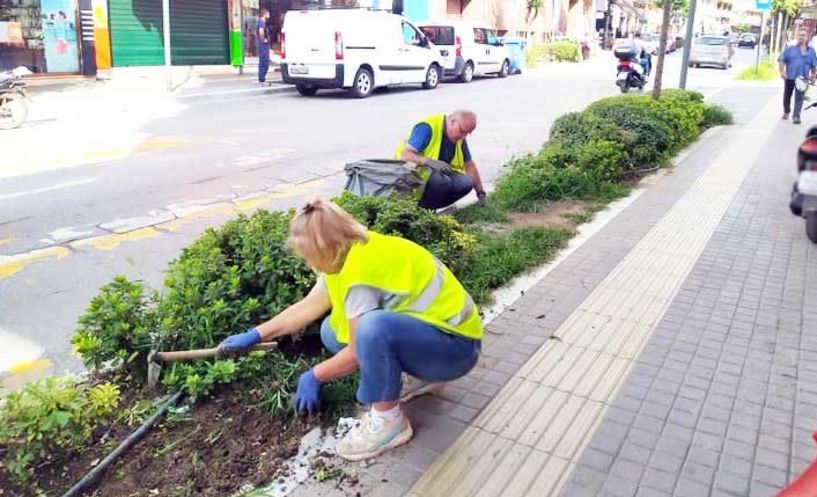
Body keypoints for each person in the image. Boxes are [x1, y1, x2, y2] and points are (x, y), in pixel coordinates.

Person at [218, 198, 483, 461]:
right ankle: (407, 375)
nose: (309, 265)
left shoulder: (360, 275)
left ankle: (389, 422)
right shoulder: (350, 249)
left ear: (327, 248)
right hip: (436, 340)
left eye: (310, 256)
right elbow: (307, 307)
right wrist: (255, 335)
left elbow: (359, 349)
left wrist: (315, 375)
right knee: (331, 332)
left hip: (456, 351)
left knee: (372, 328)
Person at [394, 110, 487, 210]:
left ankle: (429, 208)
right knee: (441, 181)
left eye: (467, 134)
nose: (463, 136)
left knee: (466, 183)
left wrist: (480, 193)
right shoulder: (427, 128)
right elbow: (405, 155)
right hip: (410, 179)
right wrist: (429, 162)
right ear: (452, 121)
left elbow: (469, 165)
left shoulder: (459, 138)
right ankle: (420, 211)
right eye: (462, 131)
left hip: (434, 178)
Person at [779, 29, 817, 124]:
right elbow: (782, 60)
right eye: (799, 35)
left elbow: (813, 65)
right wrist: (782, 72)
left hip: (803, 79)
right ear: (797, 37)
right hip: (790, 77)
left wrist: (813, 76)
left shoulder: (811, 51)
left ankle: (796, 116)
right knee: (787, 96)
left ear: (807, 37)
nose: (801, 37)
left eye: (803, 35)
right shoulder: (790, 49)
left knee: (799, 98)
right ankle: (786, 111)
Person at [256, 9, 271, 85]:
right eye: (268, 14)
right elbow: (261, 32)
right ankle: (262, 79)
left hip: (263, 45)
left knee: (264, 61)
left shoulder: (261, 22)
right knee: (264, 62)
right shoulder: (261, 22)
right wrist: (264, 40)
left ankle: (262, 78)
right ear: (264, 14)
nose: (269, 15)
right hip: (263, 45)